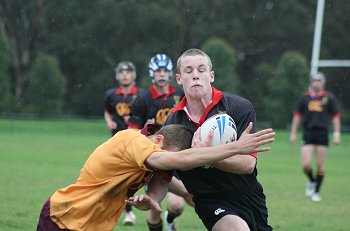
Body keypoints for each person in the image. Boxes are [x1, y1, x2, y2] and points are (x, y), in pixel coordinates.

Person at [36, 123, 275, 231]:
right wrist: (235, 148)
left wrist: (191, 196)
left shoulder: (146, 158)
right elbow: (174, 162)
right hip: (65, 218)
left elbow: (169, 179)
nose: (177, 162)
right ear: (159, 140)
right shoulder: (132, 140)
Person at [162, 48, 273, 231]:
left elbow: (246, 165)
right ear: (179, 79)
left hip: (249, 194)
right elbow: (165, 169)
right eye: (188, 71)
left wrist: (204, 155)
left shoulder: (239, 107)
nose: (195, 76)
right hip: (210, 199)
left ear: (211, 76)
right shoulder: (173, 122)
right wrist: (152, 197)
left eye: (201, 70)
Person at [127, 54, 185, 231]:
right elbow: (131, 134)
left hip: (176, 155)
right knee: (154, 209)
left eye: (165, 71)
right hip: (155, 159)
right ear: (152, 73)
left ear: (171, 74)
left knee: (177, 206)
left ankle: (170, 219)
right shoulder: (142, 99)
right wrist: (144, 131)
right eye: (158, 71)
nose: (162, 74)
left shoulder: (180, 94)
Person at [289, 72, 341, 202]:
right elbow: (297, 116)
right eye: (314, 81)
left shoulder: (329, 98)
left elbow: (335, 117)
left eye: (319, 81)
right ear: (311, 83)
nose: (316, 83)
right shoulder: (305, 98)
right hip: (308, 133)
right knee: (306, 165)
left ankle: (317, 192)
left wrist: (336, 134)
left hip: (322, 134)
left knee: (320, 165)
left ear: (322, 83)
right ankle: (312, 181)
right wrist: (293, 133)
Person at [104, 61, 144, 224]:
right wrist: (108, 121)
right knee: (119, 178)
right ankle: (127, 212)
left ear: (134, 75)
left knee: (138, 177)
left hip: (137, 141)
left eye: (128, 72)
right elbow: (107, 109)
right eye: (121, 72)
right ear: (117, 75)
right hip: (117, 142)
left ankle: (152, 207)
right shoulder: (111, 94)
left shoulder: (141, 94)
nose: (125, 75)